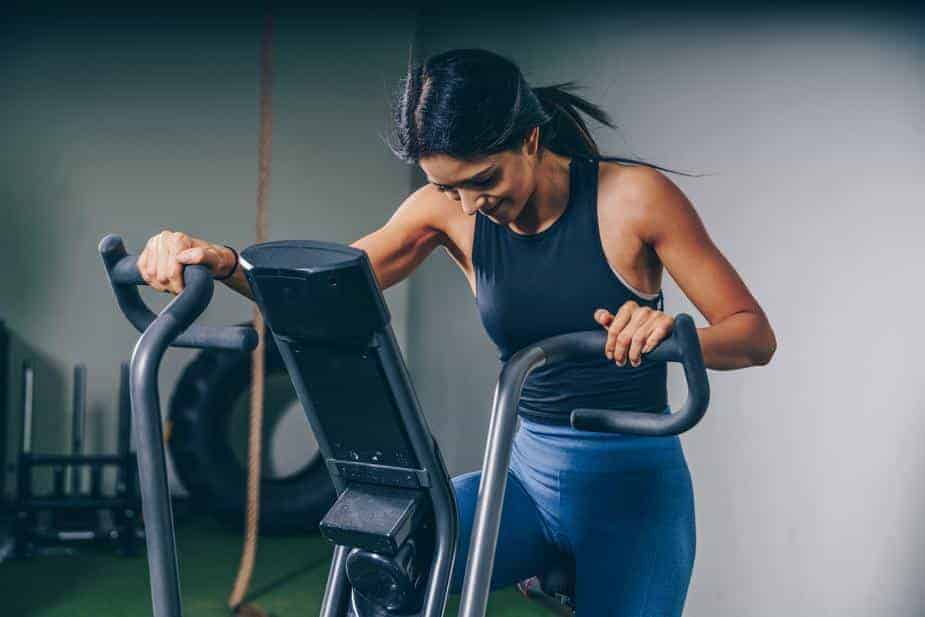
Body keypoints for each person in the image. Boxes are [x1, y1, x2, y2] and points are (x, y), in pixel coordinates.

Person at [139, 48, 776, 616]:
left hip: (631, 489)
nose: (469, 205)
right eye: (446, 186)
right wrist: (220, 260)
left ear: (530, 140)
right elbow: (322, 293)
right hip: (522, 476)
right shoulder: (445, 210)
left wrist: (672, 333)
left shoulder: (632, 199)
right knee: (384, 574)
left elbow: (752, 336)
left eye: (482, 181)